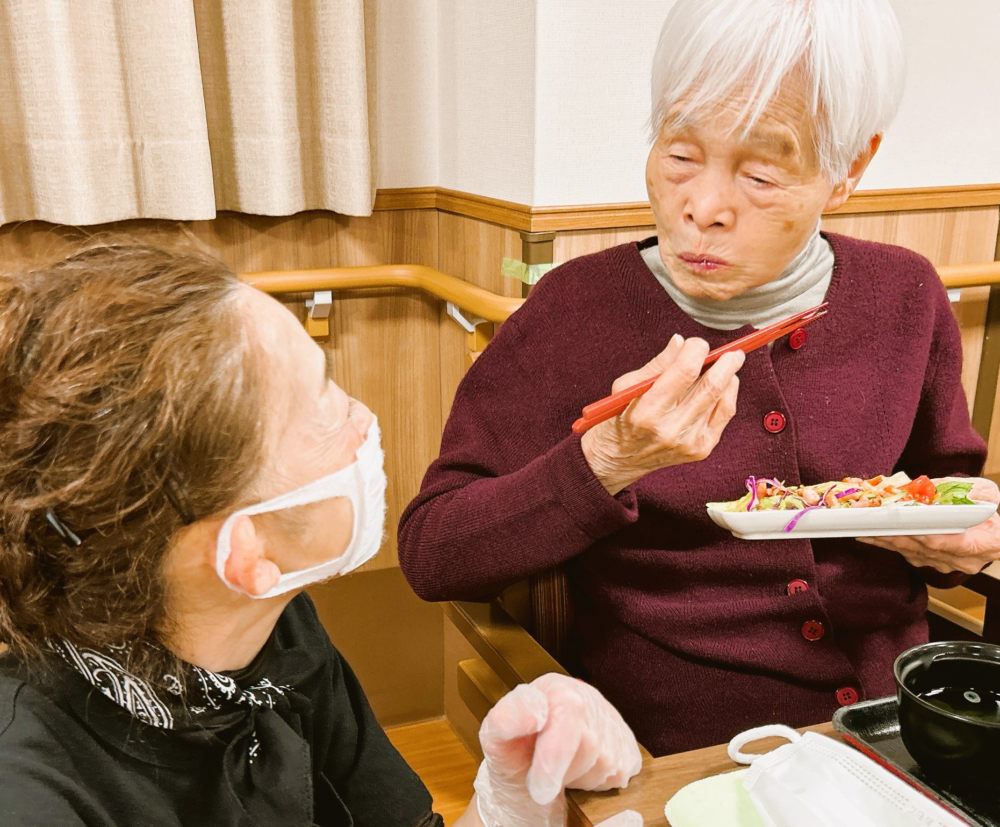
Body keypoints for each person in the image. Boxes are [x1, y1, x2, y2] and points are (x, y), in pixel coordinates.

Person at [397, 0, 1000, 757]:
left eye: (761, 173)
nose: (704, 208)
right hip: (683, 749)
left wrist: (960, 540)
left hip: (898, 723)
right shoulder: (573, 311)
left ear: (850, 169)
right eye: (679, 154)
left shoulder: (906, 295)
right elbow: (433, 551)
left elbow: (953, 493)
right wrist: (607, 461)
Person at [0, 243, 643, 827]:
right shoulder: (32, 786)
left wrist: (513, 797)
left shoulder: (273, 630)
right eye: (324, 404)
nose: (363, 419)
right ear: (245, 553)